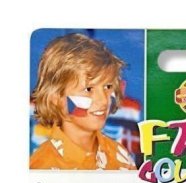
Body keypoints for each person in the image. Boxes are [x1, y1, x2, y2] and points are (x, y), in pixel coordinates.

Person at [30, 33, 135, 170]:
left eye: (108, 87)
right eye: (88, 89)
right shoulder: (43, 166)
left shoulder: (119, 155)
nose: (104, 100)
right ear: (55, 98)